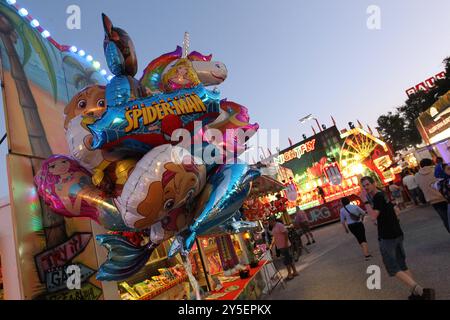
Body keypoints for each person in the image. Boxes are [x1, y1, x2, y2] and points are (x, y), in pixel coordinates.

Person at [361, 176, 435, 300]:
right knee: (402, 264)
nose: (366, 187)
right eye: (364, 186)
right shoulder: (382, 194)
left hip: (387, 236)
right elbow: (394, 211)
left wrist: (365, 201)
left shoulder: (377, 197)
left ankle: (421, 292)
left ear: (374, 183)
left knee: (392, 267)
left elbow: (373, 216)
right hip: (396, 232)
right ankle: (415, 294)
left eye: (368, 184)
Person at [415, 158, 450, 233]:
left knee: (445, 219)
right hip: (444, 197)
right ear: (431, 163)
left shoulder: (417, 175)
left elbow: (420, 186)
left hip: (432, 200)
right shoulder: (435, 171)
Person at [268, 216, 298, 280]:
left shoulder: (279, 225)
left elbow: (286, 233)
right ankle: (295, 272)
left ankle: (290, 274)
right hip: (280, 246)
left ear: (272, 221)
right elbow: (274, 237)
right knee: (288, 259)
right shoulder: (273, 228)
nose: (269, 223)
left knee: (287, 260)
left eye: (269, 222)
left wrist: (286, 243)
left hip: (284, 245)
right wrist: (272, 244)